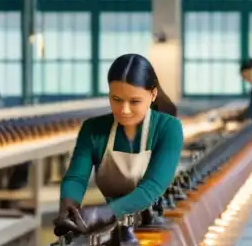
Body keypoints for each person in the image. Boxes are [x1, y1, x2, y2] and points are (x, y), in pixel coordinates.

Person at [55, 54, 184, 236]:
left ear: (153, 94)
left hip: (155, 226)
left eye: (134, 101)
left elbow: (152, 187)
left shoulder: (168, 128)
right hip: (112, 227)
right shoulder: (93, 129)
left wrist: (105, 213)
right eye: (116, 99)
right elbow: (76, 178)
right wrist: (68, 208)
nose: (124, 110)